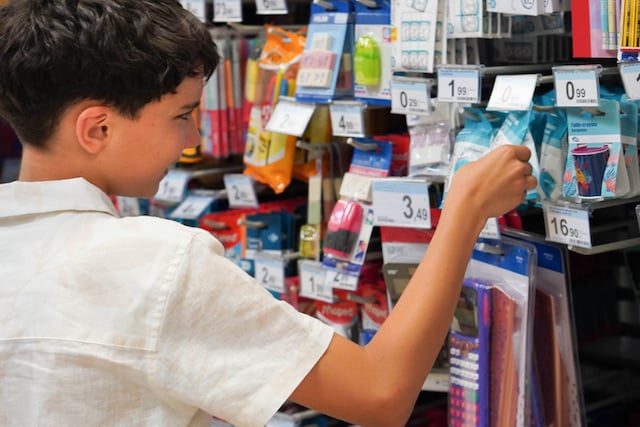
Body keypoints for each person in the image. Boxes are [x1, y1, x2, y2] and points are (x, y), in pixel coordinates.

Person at [0, 1, 537, 426]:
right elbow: (381, 393)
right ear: (97, 129)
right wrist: (464, 209)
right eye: (182, 115)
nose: (195, 138)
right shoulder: (153, 263)